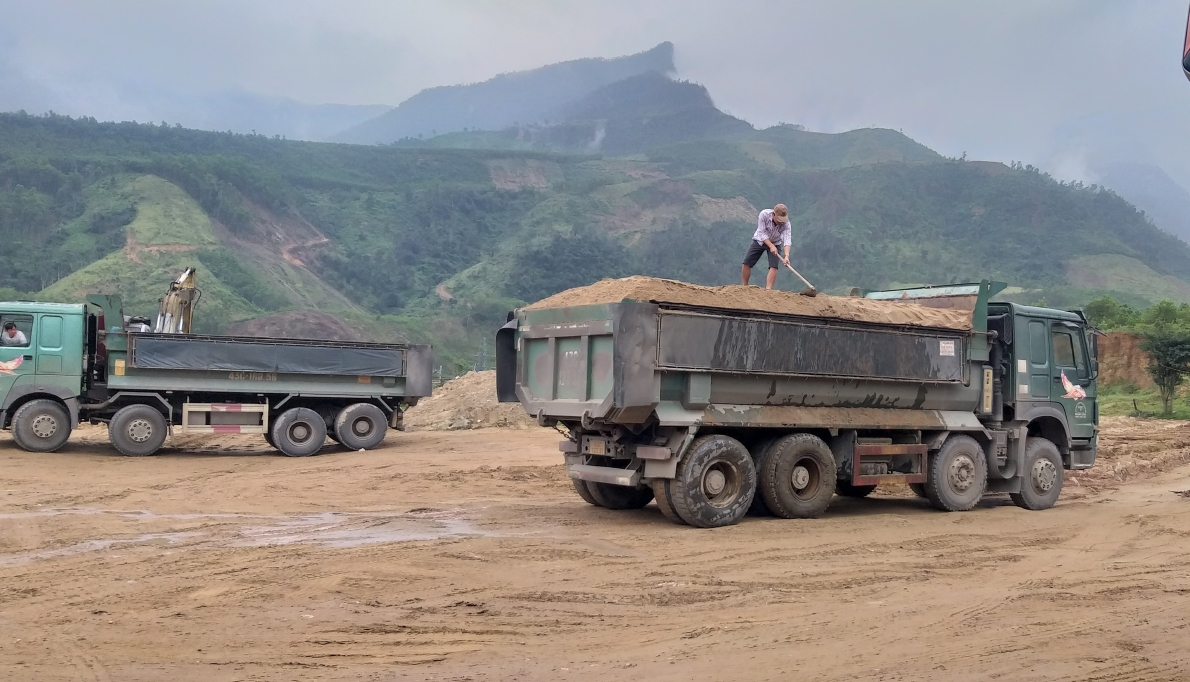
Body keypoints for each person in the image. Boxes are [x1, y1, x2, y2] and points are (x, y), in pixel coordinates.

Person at [741, 203, 792, 289]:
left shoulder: (786, 224)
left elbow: (787, 239)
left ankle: (768, 290)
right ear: (773, 214)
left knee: (774, 266)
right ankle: (744, 286)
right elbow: (762, 232)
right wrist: (771, 246)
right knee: (747, 262)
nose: (781, 221)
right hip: (759, 240)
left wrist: (786, 256)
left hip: (776, 242)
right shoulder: (764, 215)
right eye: (779, 219)